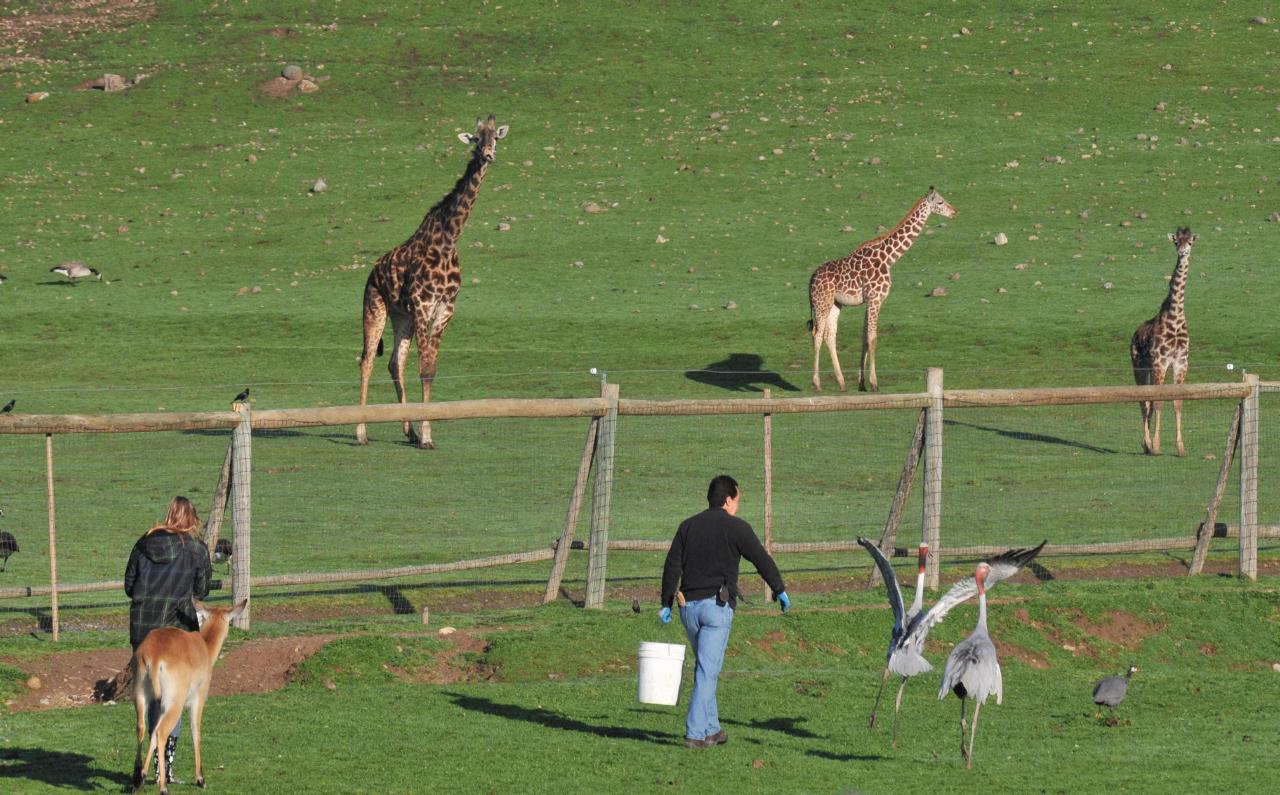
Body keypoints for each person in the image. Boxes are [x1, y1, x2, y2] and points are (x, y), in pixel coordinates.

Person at [660, 475, 789, 748]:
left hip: (688, 610)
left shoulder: (687, 526)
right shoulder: (737, 528)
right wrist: (779, 589)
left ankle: (712, 729)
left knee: (705, 668)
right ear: (728, 500)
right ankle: (695, 734)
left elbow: (672, 566)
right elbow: (761, 559)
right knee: (708, 672)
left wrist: (665, 603)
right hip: (716, 610)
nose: (737, 507)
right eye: (737, 501)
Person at [124, 495, 212, 784]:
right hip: (176, 634)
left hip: (143, 632)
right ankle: (165, 766)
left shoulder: (143, 543)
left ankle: (149, 756)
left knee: (150, 697)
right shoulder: (196, 549)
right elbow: (203, 588)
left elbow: (128, 585)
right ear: (192, 520)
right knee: (173, 699)